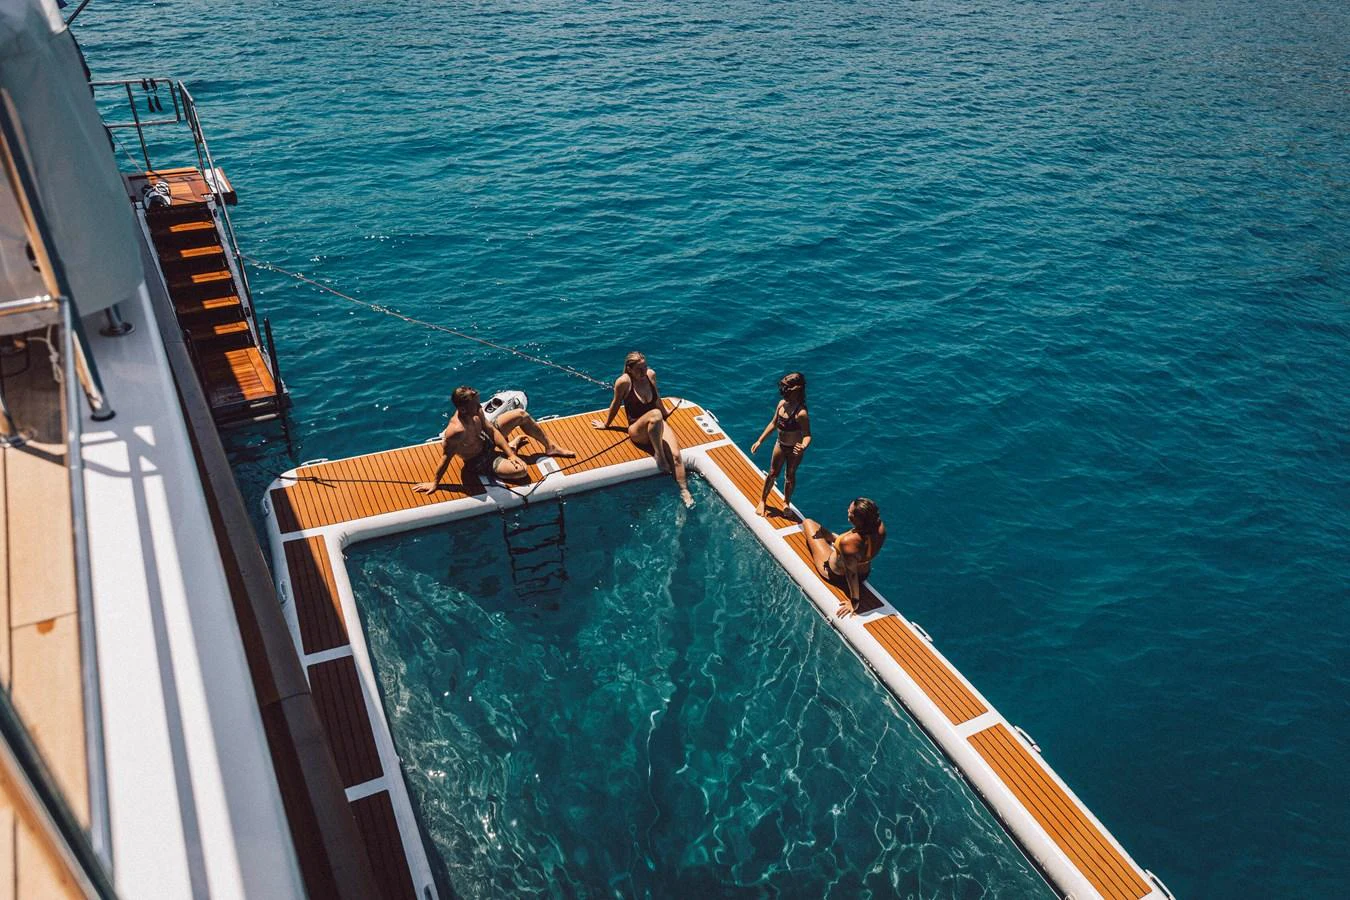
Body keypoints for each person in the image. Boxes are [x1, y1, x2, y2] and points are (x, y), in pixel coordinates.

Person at [413, 386, 575, 492]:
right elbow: (445, 457)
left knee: (521, 415)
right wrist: (435, 483)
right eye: (476, 405)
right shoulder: (456, 431)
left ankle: (550, 447)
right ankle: (511, 447)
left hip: (485, 440)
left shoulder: (476, 411)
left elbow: (491, 430)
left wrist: (510, 455)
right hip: (479, 460)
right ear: (462, 409)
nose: (480, 407)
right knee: (521, 471)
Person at [592, 351, 694, 507]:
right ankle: (659, 455)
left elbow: (657, 396)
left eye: (645, 367)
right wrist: (606, 424)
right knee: (655, 415)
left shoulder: (650, 375)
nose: (643, 372)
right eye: (639, 369)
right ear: (629, 369)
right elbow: (616, 403)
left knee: (675, 455)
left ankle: (684, 490)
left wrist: (665, 412)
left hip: (657, 423)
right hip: (637, 429)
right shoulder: (624, 382)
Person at [801, 498, 886, 617]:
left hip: (836, 575)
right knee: (831, 537)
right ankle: (833, 539)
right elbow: (858, 549)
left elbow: (851, 574)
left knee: (808, 523)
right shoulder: (880, 528)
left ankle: (834, 541)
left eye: (850, 512)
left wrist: (854, 602)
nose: (847, 511)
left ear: (858, 519)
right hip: (864, 572)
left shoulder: (848, 542)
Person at [749, 372, 811, 517]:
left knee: (790, 475)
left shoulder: (801, 413)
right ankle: (763, 500)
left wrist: (803, 446)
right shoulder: (781, 404)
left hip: (794, 450)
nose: (783, 393)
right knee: (772, 473)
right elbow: (773, 423)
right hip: (780, 445)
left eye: (786, 389)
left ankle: (786, 503)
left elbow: (807, 435)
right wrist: (760, 440)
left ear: (795, 391)